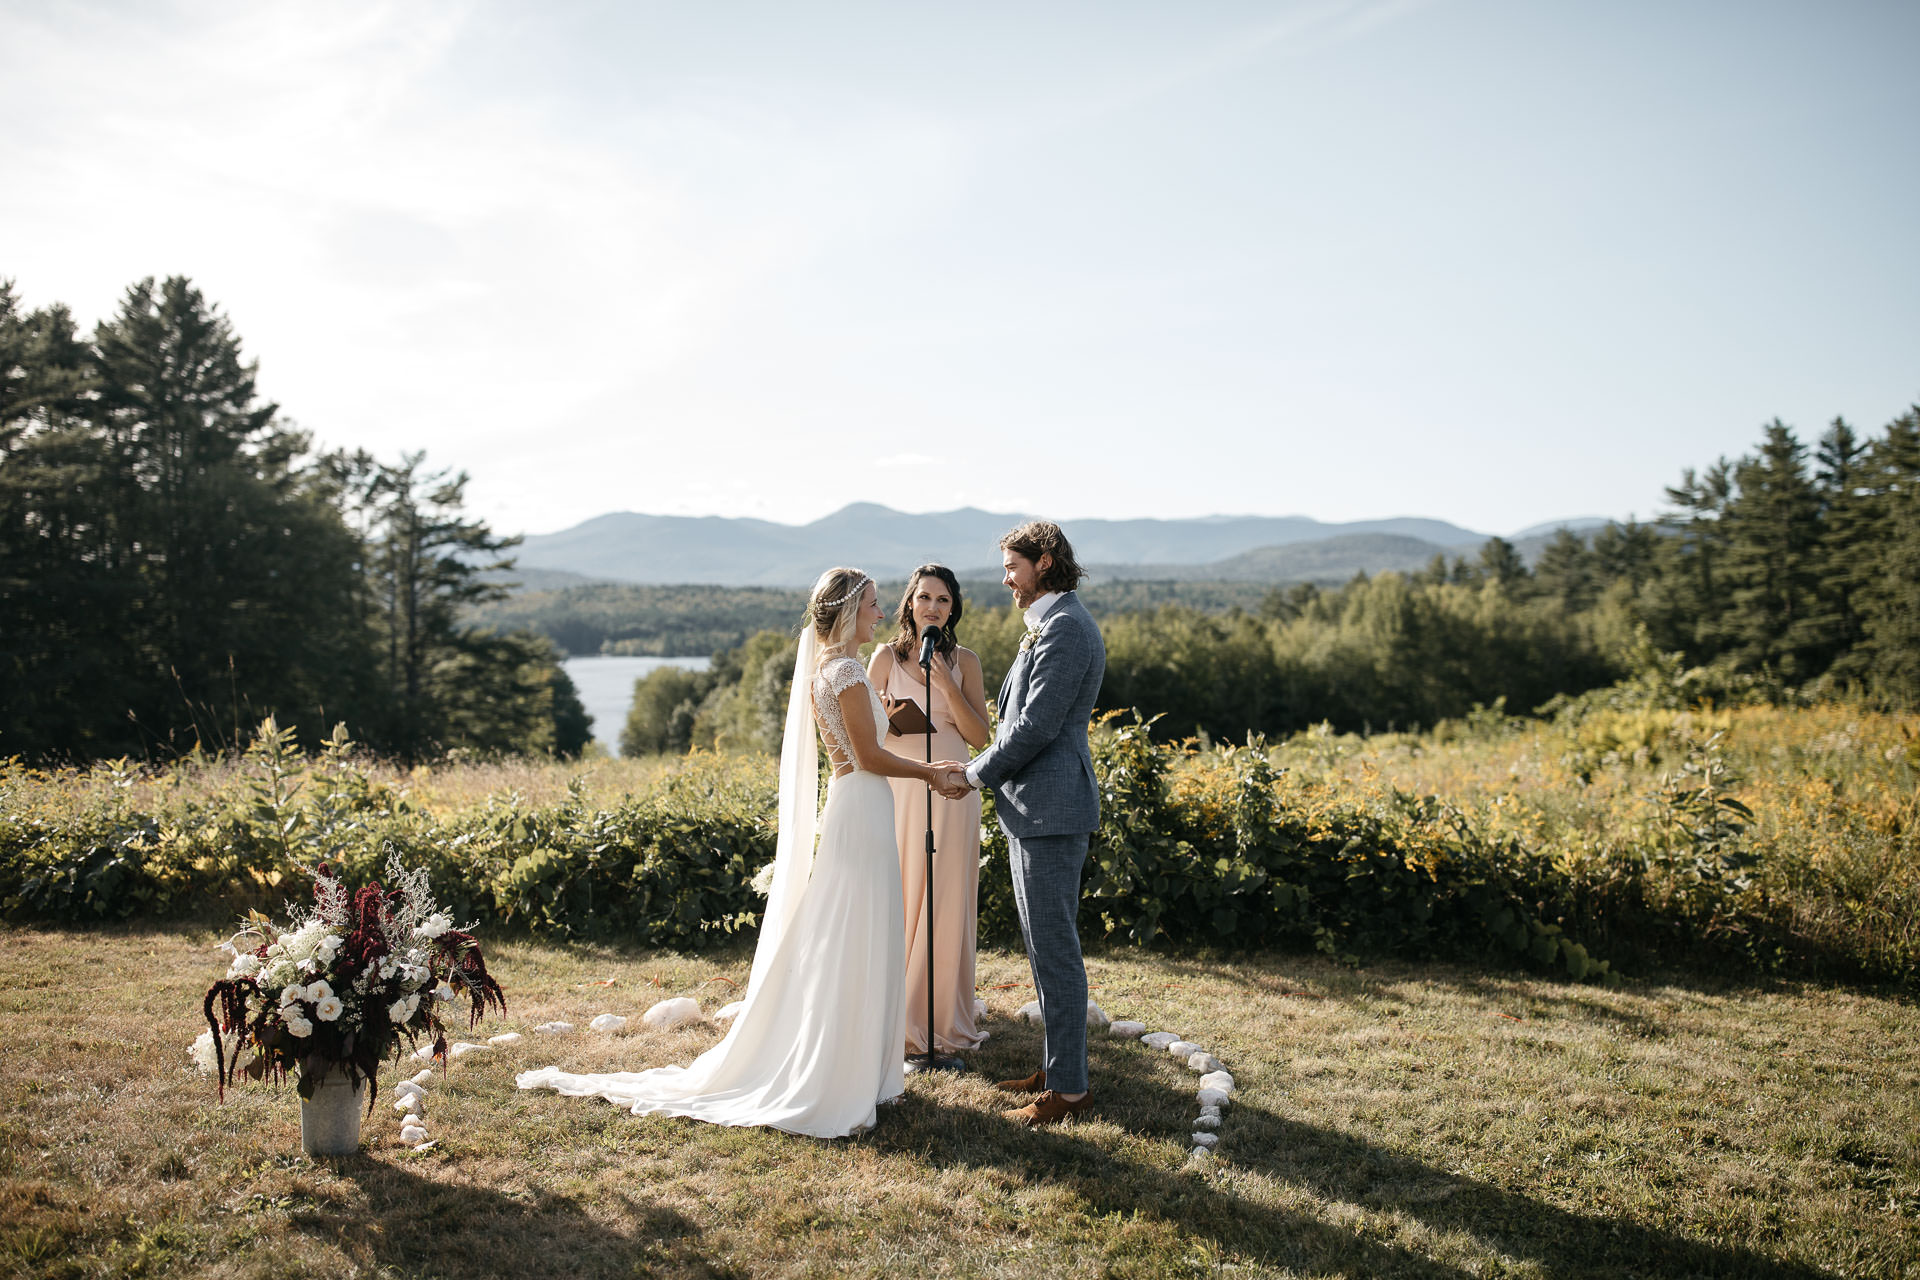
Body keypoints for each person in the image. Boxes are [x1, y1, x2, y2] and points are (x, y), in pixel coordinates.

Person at [517, 568, 968, 1139]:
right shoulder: (848, 671)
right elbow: (869, 757)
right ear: (849, 610)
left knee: (855, 930)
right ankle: (843, 1072)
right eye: (874, 605)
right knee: (858, 930)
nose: (882, 614)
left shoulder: (828, 668)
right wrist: (931, 771)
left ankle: (863, 1068)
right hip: (862, 803)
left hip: (857, 805)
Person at [938, 522, 1106, 1127]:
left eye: (1013, 566)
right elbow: (1014, 720)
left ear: (1045, 561)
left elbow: (1034, 728)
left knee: (1055, 951)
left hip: (1051, 809)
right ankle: (1058, 1070)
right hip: (1032, 808)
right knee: (1041, 947)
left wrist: (972, 774)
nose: (1006, 578)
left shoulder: (1066, 629)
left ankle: (1069, 1093)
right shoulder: (1047, 624)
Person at [868, 564, 992, 1056]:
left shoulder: (966, 661)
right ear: (910, 604)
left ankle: (940, 1016)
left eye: (943, 600)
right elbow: (862, 729)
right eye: (924, 598)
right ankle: (895, 1010)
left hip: (953, 790)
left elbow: (980, 736)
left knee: (946, 895)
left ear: (953, 608)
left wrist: (946, 687)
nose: (933, 608)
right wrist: (886, 715)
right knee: (901, 890)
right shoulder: (884, 657)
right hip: (900, 785)